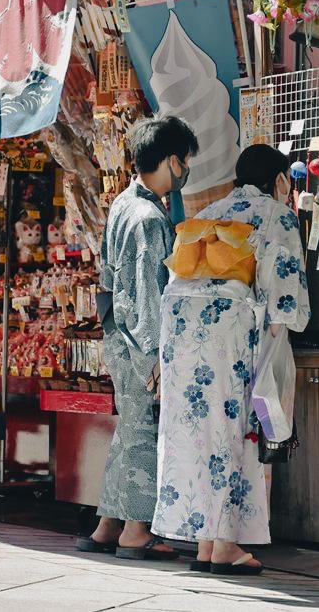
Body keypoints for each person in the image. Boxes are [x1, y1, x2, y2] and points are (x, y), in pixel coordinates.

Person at [152, 144, 310, 575]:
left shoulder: (214, 208)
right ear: (278, 180)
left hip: (184, 332)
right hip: (233, 332)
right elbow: (284, 296)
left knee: (198, 432)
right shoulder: (279, 215)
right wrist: (276, 343)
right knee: (235, 432)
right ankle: (224, 545)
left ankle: (205, 541)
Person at [75, 116, 198, 560]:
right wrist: (156, 358)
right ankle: (135, 530)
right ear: (171, 160)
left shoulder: (125, 203)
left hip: (117, 333)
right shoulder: (149, 216)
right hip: (138, 339)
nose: (185, 170)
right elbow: (149, 294)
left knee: (128, 430)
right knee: (143, 430)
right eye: (184, 161)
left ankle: (108, 523)